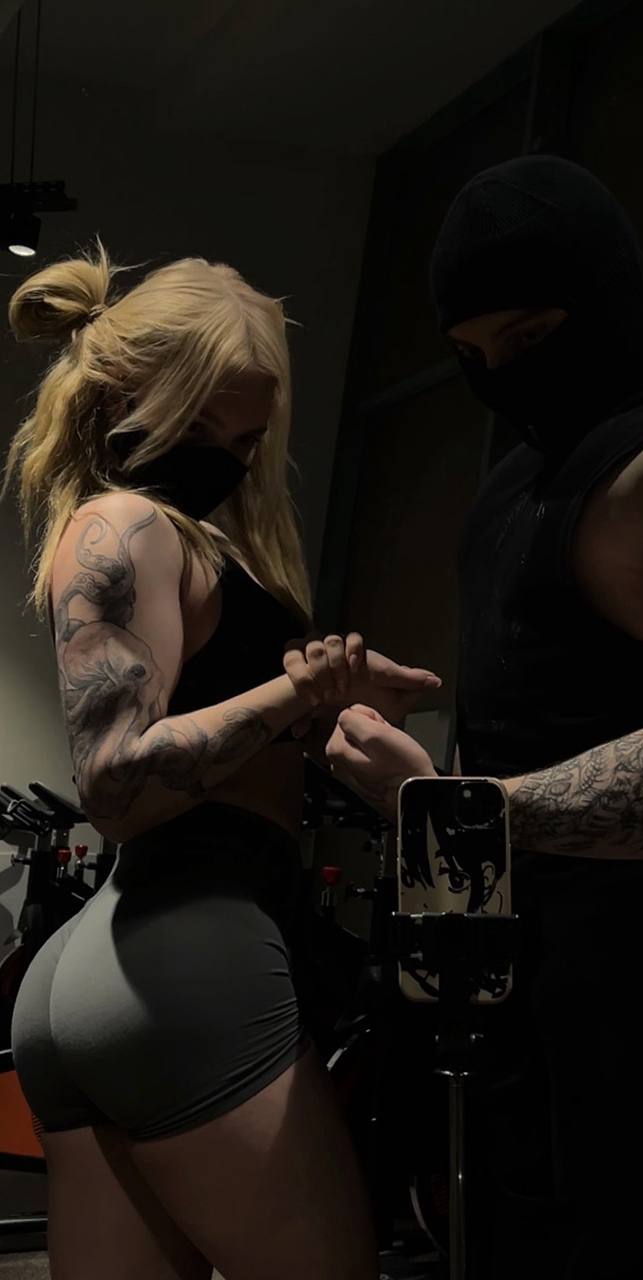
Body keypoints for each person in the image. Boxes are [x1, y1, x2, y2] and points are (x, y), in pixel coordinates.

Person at [297, 157, 643, 1278]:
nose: (503, 376)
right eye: (472, 356)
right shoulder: (518, 479)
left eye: (531, 337)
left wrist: (443, 813)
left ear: (608, 292)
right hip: (539, 1015)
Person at [2, 244, 441, 1280]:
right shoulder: (123, 524)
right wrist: (300, 691)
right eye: (202, 429)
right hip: (186, 955)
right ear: (126, 395)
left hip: (119, 968)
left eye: (243, 439)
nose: (228, 459)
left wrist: (335, 714)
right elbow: (116, 782)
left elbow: (221, 732)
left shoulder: (200, 544)